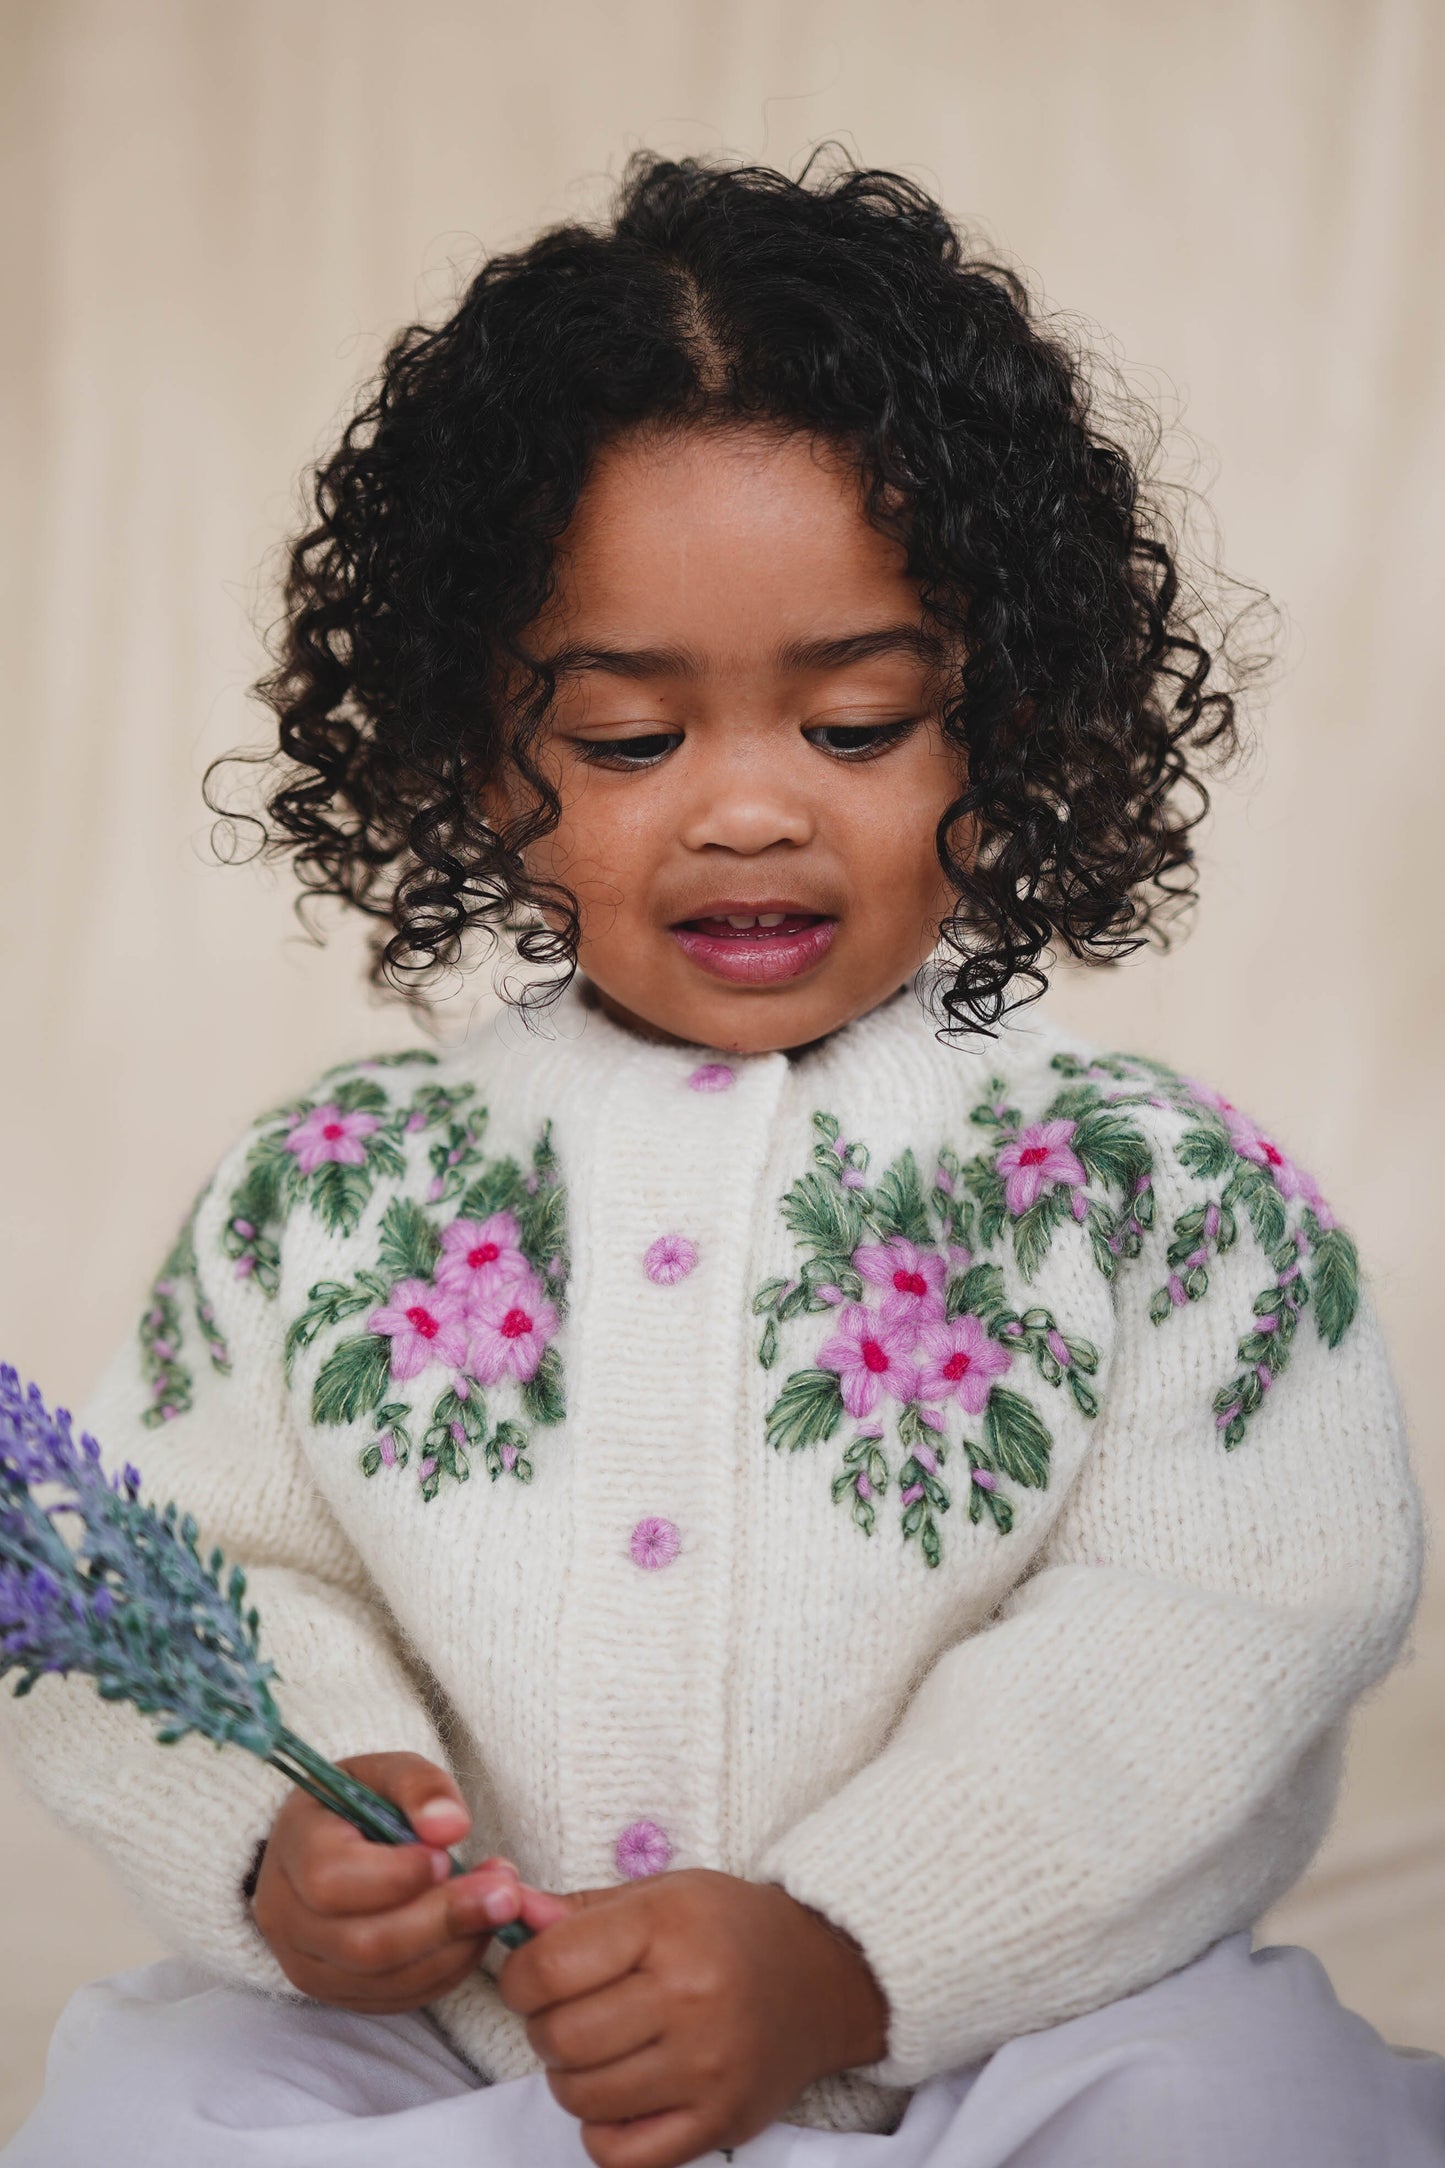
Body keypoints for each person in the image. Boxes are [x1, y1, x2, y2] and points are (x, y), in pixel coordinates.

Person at [3, 151, 1441, 2168]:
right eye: (626, 737)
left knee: (1254, 2113)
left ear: (996, 722)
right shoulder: (330, 1183)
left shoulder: (1155, 1192)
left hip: (1016, 2049)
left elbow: (1229, 1613)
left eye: (855, 724)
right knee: (150, 2106)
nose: (750, 811)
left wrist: (849, 1952)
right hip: (477, 2057)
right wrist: (291, 1830)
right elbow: (185, 1572)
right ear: (478, 752)